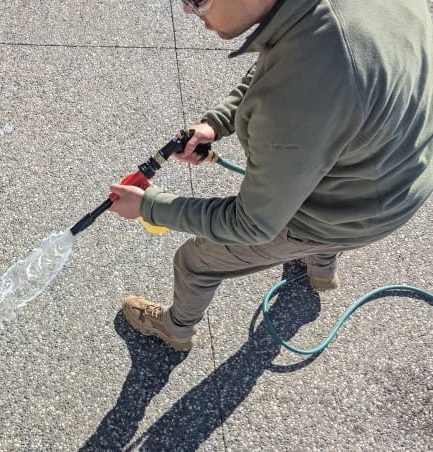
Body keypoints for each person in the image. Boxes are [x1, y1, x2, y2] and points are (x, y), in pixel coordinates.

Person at [108, 0, 433, 352]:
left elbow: (252, 224)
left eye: (197, 0)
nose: (187, 11)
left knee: (195, 261)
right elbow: (283, 63)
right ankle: (321, 274)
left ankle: (176, 330)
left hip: (339, 215)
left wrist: (149, 206)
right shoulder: (315, 25)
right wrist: (217, 122)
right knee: (327, 219)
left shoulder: (304, 90)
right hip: (395, 179)